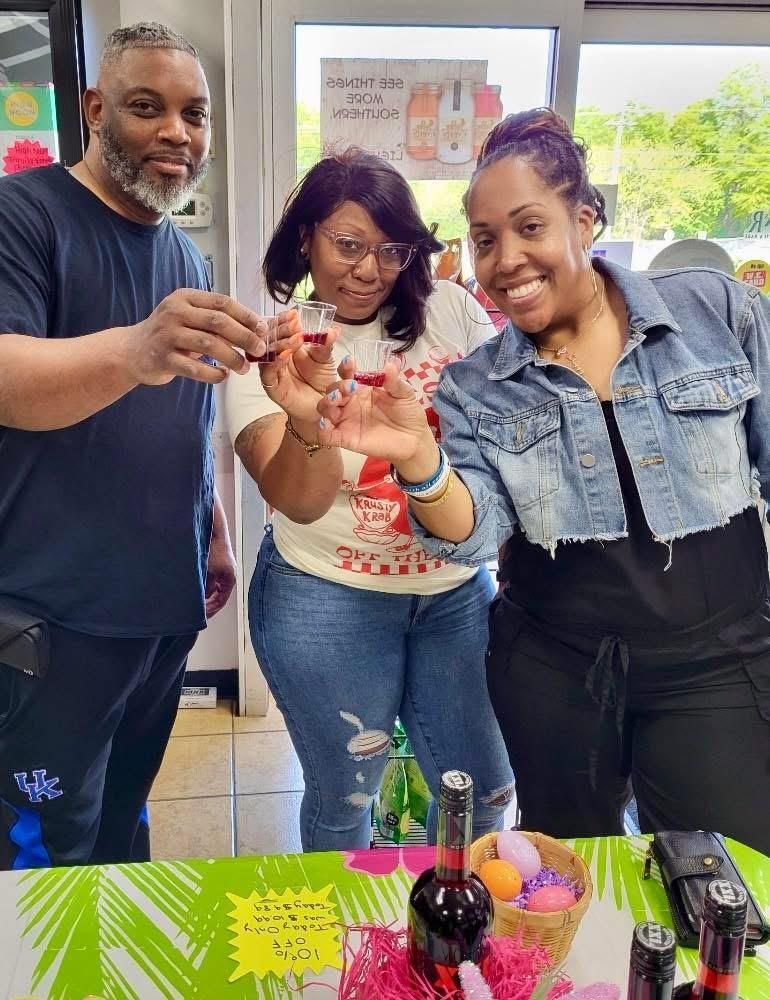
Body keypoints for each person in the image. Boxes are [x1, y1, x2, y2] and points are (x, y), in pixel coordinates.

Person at [315, 110, 770, 856]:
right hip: (556, 670)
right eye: (486, 241)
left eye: (530, 226)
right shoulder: (475, 385)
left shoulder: (715, 312)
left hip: (718, 664)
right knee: (566, 876)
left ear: (584, 218)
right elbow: (480, 529)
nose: (508, 259)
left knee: (725, 885)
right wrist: (419, 462)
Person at [0, 23, 271, 869]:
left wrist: (214, 531)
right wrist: (135, 347)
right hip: (49, 622)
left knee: (124, 822)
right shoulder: (11, 216)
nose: (177, 132)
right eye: (147, 107)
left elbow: (187, 419)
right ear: (94, 109)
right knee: (49, 846)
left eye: (194, 114)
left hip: (158, 612)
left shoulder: (183, 256)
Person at [224, 150, 514, 852]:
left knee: (485, 793)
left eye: (391, 249)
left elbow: (498, 438)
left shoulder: (450, 311)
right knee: (344, 796)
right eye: (348, 245)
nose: (369, 269)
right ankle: (351, 948)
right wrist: (305, 416)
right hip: (326, 601)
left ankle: (462, 938)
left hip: (453, 595)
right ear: (305, 238)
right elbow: (298, 500)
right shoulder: (274, 350)